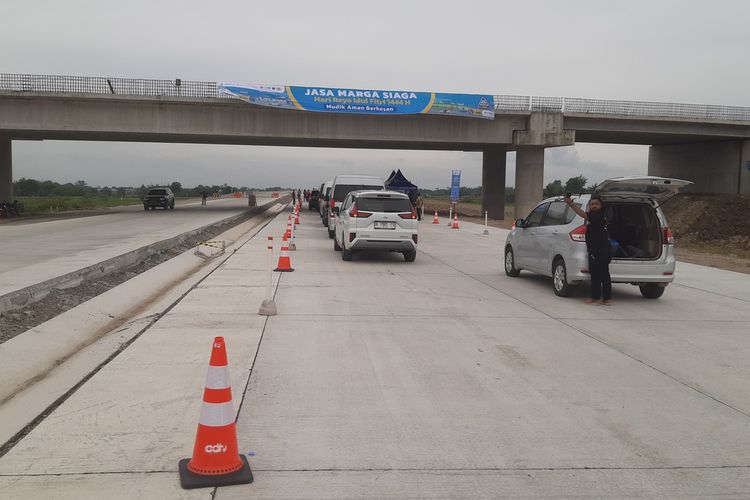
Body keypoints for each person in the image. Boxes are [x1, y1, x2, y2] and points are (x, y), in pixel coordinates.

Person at [564, 193, 612, 305]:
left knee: (602, 274)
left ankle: (604, 298)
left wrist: (571, 204)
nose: (594, 206)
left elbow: (583, 215)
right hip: (594, 250)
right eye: (592, 204)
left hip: (602, 250)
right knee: (596, 274)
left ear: (601, 206)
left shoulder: (599, 215)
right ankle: (598, 297)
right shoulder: (597, 215)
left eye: (596, 204)